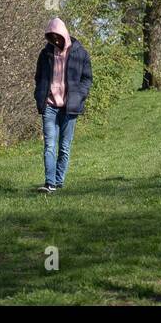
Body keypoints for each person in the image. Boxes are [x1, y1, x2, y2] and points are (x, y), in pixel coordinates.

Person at [34, 17, 93, 193]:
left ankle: (59, 182)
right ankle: (49, 183)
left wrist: (80, 96)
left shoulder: (80, 53)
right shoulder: (45, 54)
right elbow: (39, 78)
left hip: (70, 107)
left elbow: (87, 79)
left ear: (64, 34)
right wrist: (40, 96)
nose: (56, 40)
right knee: (49, 145)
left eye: (58, 36)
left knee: (64, 147)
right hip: (50, 106)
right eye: (52, 37)